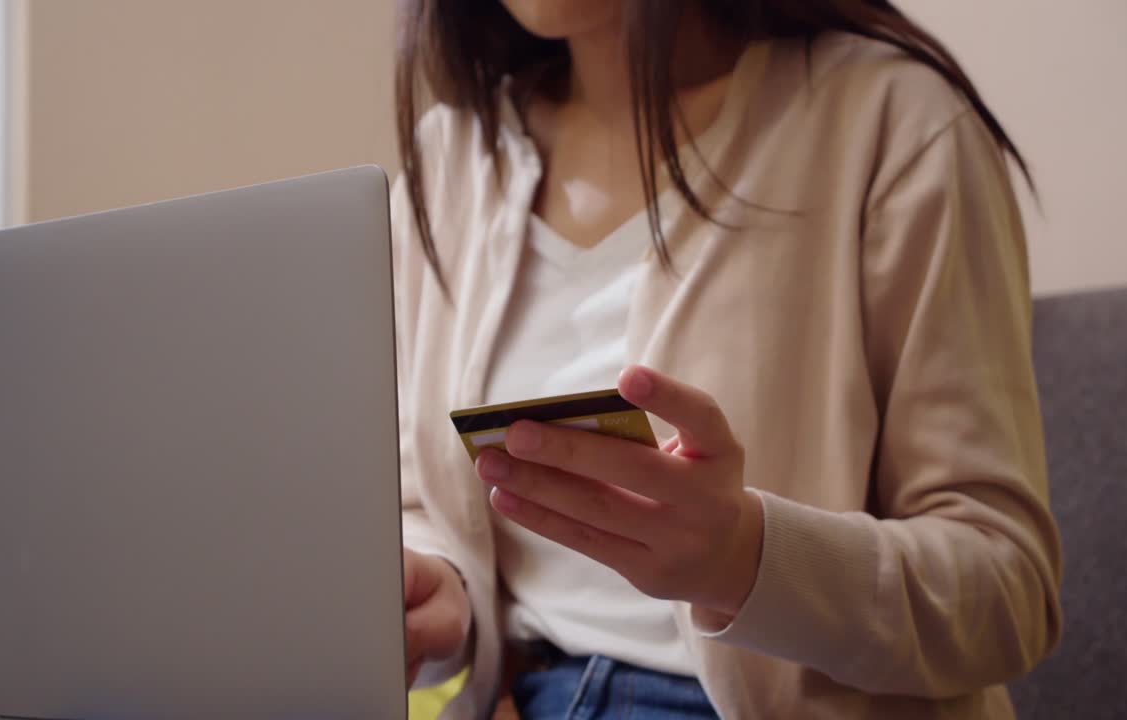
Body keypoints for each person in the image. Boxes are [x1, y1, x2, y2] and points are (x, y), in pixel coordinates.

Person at [394, 1, 1063, 718]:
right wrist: (443, 588)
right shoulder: (450, 161)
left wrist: (749, 561)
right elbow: (423, 502)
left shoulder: (893, 120)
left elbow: (1008, 592)